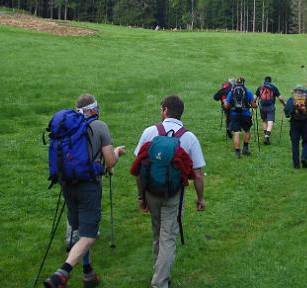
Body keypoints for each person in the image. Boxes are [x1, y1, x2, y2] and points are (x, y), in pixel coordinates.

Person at [44, 94, 125, 288]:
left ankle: (88, 273)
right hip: (89, 186)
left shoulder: (68, 128)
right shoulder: (100, 126)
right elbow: (110, 162)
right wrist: (117, 152)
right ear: (92, 109)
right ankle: (61, 274)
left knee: (79, 230)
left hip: (68, 184)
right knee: (88, 236)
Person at [132, 95, 206, 288]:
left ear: (164, 110)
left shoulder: (150, 132)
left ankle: (160, 272)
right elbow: (197, 174)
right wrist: (200, 198)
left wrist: (141, 196)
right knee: (168, 236)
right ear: (181, 113)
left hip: (151, 192)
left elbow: (138, 168)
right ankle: (160, 282)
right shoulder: (189, 137)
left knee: (157, 232)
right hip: (174, 195)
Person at [223, 77, 257, 158]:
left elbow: (226, 105)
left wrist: (226, 104)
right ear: (243, 83)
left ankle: (237, 152)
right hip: (245, 114)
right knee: (247, 131)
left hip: (234, 114)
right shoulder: (247, 91)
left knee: (236, 132)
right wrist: (255, 106)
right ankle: (245, 148)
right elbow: (253, 105)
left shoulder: (232, 92)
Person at [284, 85, 307, 169]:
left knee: (295, 144)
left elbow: (287, 114)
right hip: (306, 123)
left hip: (294, 123)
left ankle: (296, 164)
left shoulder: (291, 100)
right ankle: (304, 157)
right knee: (306, 142)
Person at [255, 76, 284, 145]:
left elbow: (255, 97)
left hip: (262, 106)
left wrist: (252, 105)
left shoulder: (260, 87)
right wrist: (284, 104)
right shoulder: (273, 87)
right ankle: (267, 136)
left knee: (264, 120)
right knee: (270, 121)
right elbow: (280, 98)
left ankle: (266, 135)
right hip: (270, 106)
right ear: (270, 81)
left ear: (264, 80)